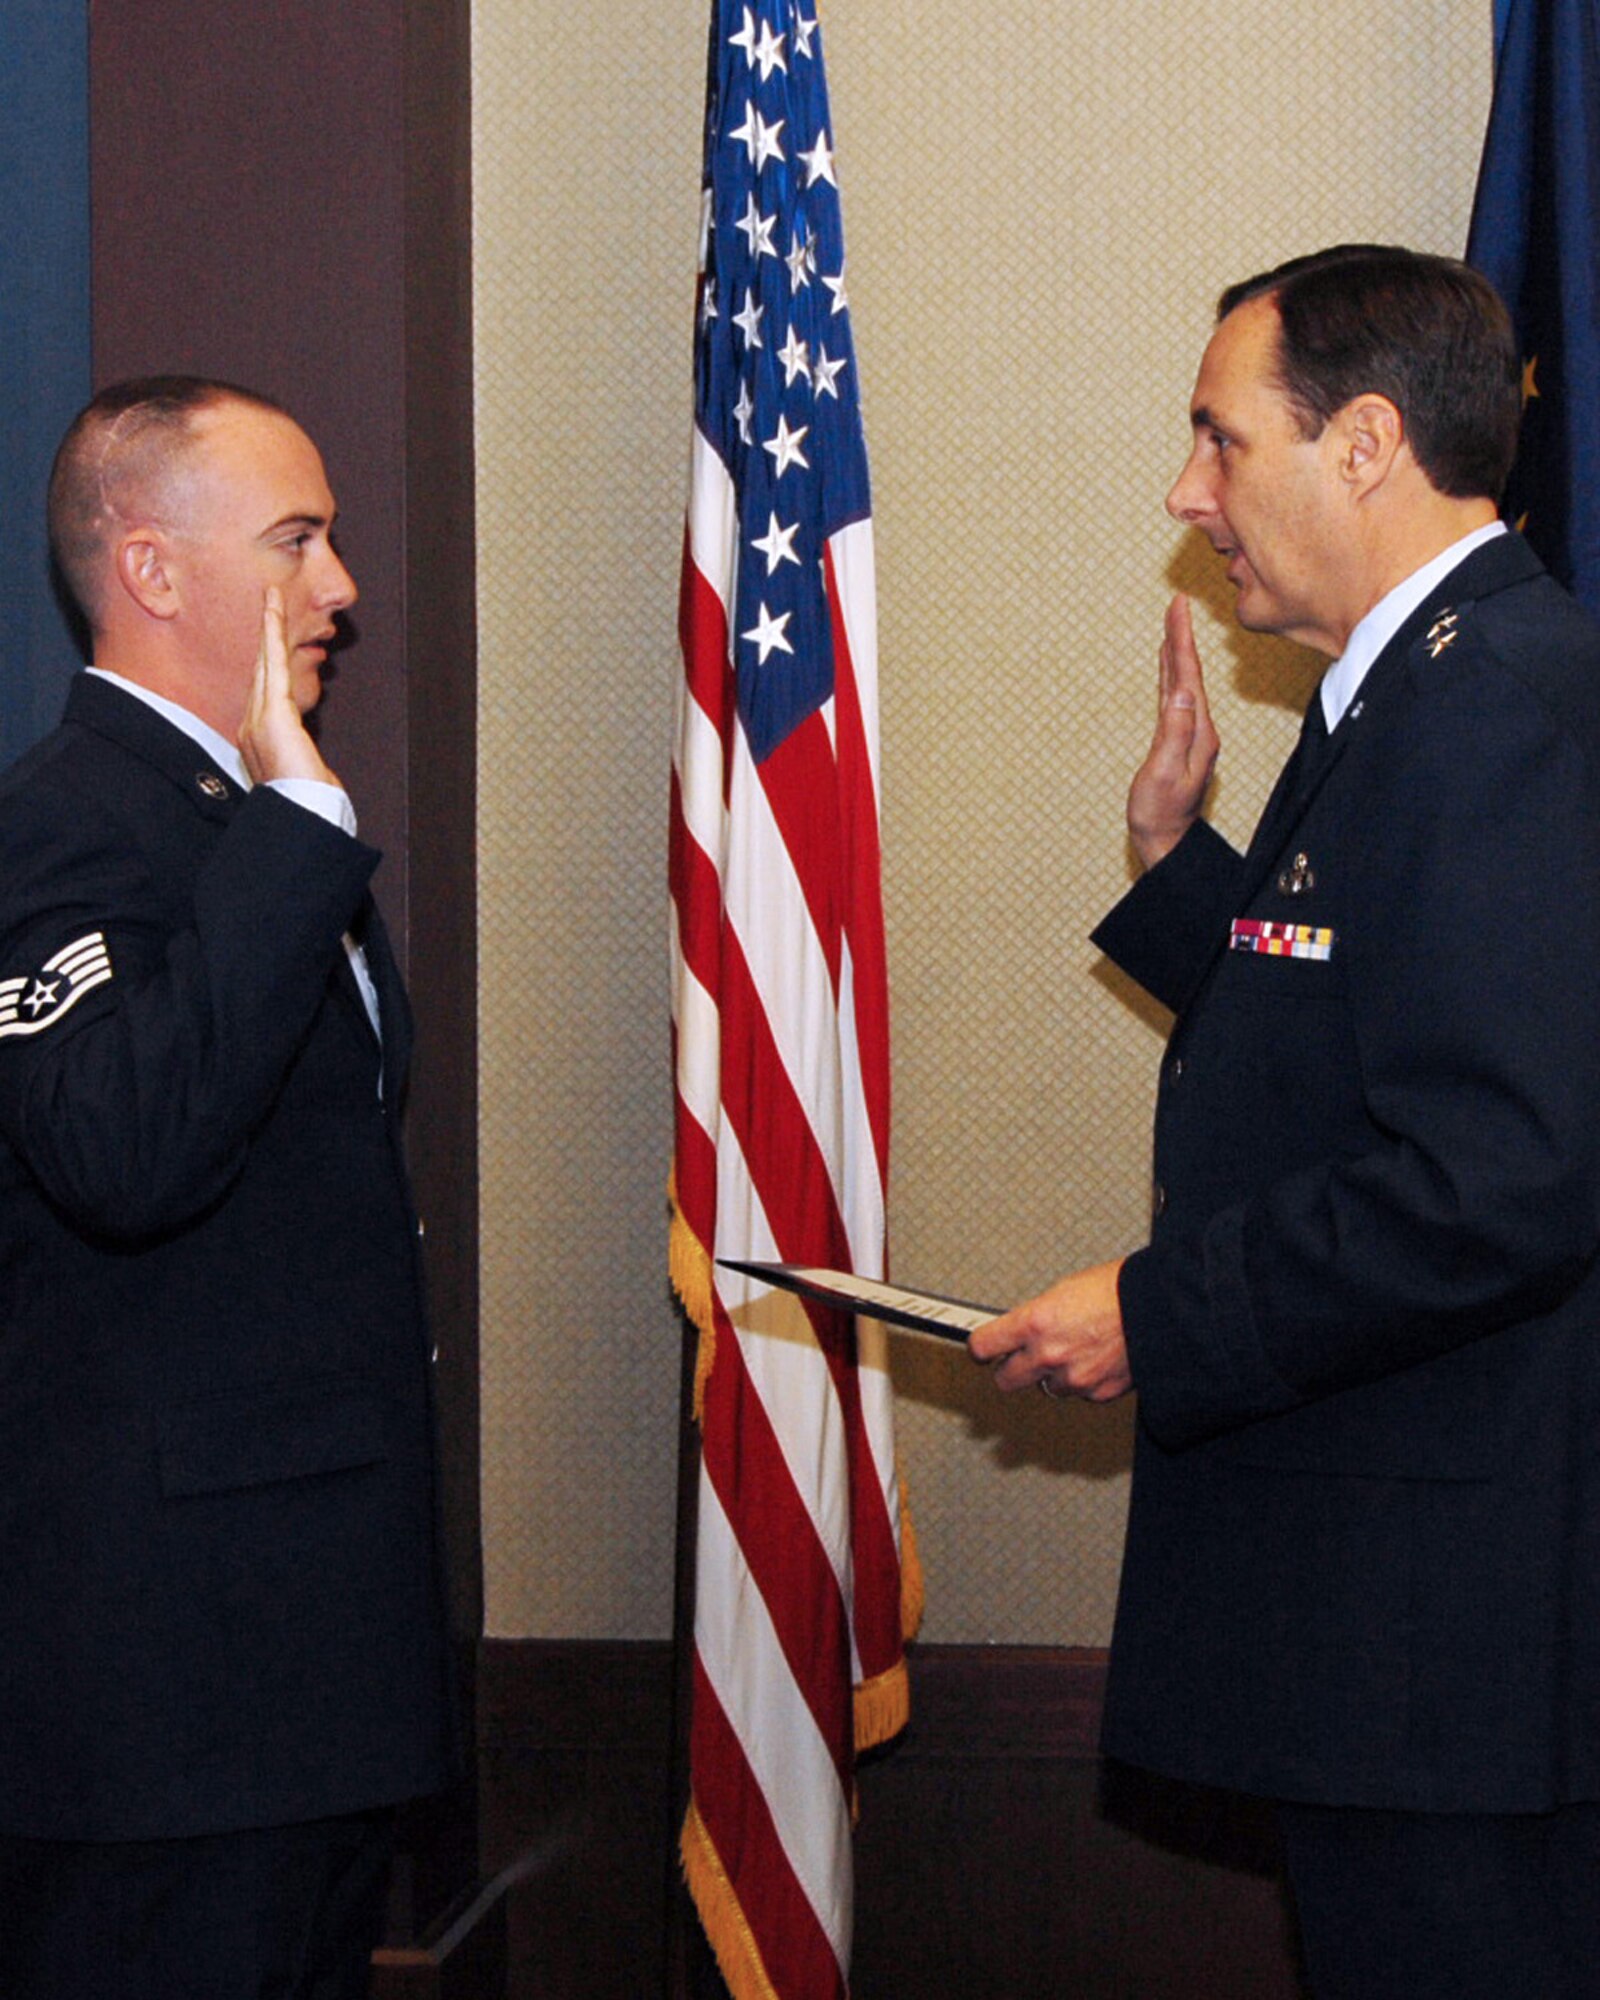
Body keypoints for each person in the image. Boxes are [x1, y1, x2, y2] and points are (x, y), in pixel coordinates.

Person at [970, 247, 1600, 1998]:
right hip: (1397, 1638)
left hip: (1457, 1648)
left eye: (1219, 440)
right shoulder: (1416, 694)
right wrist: (1184, 880)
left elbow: (1505, 1173)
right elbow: (1365, 1033)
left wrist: (1155, 1312)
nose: (1189, 493)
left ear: (1368, 443)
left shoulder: (1503, 711)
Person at [0, 378, 457, 1999]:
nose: (340, 588)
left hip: (301, 1682)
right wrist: (299, 823)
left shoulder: (241, 817)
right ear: (155, 570)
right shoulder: (60, 829)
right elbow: (126, 1148)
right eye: (297, 539)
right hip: (164, 1709)